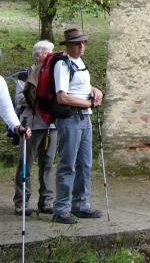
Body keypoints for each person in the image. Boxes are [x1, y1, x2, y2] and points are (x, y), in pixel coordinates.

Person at [52, 27, 103, 224]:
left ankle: (81, 205)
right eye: (77, 43)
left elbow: (81, 86)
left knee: (85, 163)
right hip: (70, 119)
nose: (82, 46)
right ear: (68, 45)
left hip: (84, 119)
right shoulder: (62, 65)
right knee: (68, 164)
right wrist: (89, 103)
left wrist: (95, 90)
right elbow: (62, 96)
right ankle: (61, 209)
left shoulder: (79, 62)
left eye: (83, 42)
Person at [13, 40, 57, 216]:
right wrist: (38, 94)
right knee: (26, 163)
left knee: (47, 164)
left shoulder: (55, 74)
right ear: (39, 55)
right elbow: (19, 99)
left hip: (51, 125)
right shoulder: (25, 74)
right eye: (49, 53)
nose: (52, 57)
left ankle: (46, 202)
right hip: (30, 124)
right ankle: (21, 202)